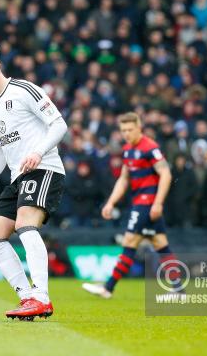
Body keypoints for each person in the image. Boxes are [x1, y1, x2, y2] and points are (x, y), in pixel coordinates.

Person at [0, 44, 67, 320]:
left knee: (24, 224)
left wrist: (38, 151)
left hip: (44, 168)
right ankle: (27, 298)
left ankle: (42, 297)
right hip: (17, 176)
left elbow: (59, 125)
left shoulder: (24, 90)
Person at [82, 112, 178, 299]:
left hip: (146, 204)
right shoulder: (127, 150)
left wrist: (158, 203)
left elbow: (166, 174)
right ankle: (179, 290)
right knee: (160, 244)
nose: (126, 133)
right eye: (123, 130)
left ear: (139, 127)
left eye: (130, 129)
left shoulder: (150, 148)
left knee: (129, 242)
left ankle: (108, 288)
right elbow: (124, 179)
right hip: (141, 203)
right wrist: (110, 202)